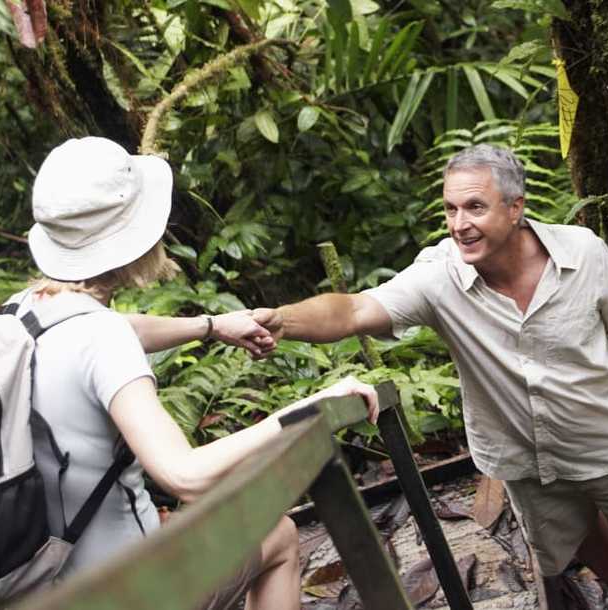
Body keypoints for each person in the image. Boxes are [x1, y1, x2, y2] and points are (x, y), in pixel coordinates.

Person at [251, 145, 608, 610]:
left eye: (475, 207)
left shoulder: (582, 254)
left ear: (516, 208)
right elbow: (354, 309)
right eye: (451, 209)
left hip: (606, 436)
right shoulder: (440, 276)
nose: (460, 224)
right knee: (575, 534)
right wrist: (282, 321)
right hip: (523, 456)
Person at [19, 136, 375, 610]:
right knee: (280, 536)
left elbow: (121, 330)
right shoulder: (101, 339)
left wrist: (209, 326)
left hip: (36, 587)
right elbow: (184, 476)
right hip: (124, 593)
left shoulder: (21, 316)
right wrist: (312, 409)